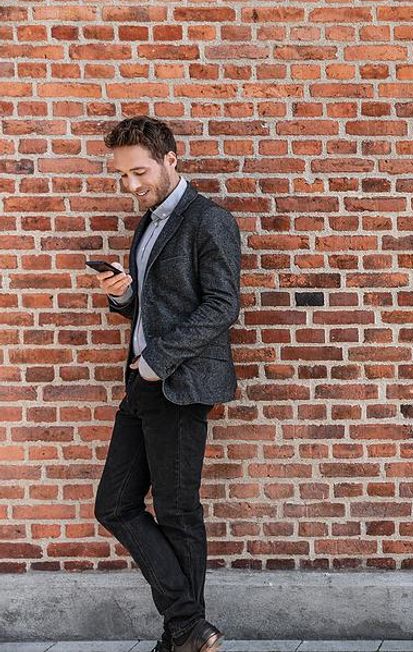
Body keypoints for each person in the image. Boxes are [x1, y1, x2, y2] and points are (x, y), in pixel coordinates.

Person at [93, 115, 241, 652]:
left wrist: (157, 360)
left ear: (170, 159)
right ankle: (188, 625)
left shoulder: (209, 221)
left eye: (138, 173)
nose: (131, 186)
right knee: (114, 505)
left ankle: (182, 631)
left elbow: (224, 306)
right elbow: (155, 307)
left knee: (178, 513)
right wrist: (122, 294)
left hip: (178, 384)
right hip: (143, 386)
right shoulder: (147, 223)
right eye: (121, 177)